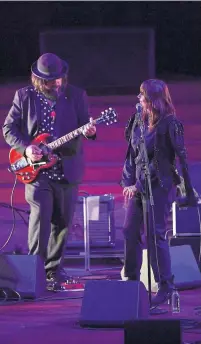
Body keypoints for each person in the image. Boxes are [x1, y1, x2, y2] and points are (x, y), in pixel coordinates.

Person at [2, 53, 96, 287]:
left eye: (59, 78)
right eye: (51, 80)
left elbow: (86, 124)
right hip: (37, 173)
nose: (57, 83)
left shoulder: (76, 95)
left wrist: (91, 131)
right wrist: (27, 148)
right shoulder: (24, 97)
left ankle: (54, 271)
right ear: (38, 80)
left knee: (62, 223)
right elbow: (8, 129)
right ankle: (34, 271)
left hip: (67, 168)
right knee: (40, 220)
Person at [120, 79, 197, 306]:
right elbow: (132, 154)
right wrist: (128, 182)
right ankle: (132, 281)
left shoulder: (170, 123)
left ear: (153, 100)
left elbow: (164, 161)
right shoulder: (138, 119)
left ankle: (165, 285)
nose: (139, 99)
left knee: (155, 235)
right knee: (129, 230)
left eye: (142, 95)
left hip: (159, 186)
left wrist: (141, 185)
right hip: (138, 185)